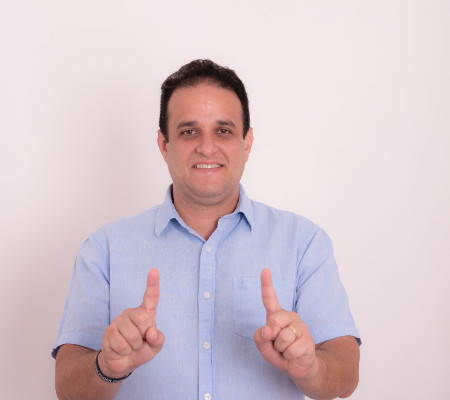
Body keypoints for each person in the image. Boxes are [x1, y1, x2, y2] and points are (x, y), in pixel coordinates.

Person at [53, 59, 360, 400]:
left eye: (223, 131)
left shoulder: (304, 243)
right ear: (164, 144)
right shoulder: (104, 249)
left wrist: (311, 369)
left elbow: (346, 375)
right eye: (189, 131)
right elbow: (66, 386)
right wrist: (106, 367)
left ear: (247, 142)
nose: (207, 147)